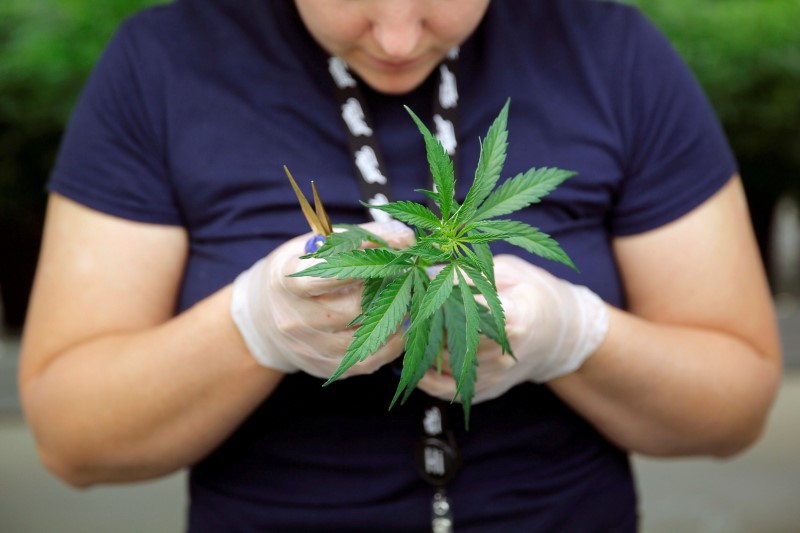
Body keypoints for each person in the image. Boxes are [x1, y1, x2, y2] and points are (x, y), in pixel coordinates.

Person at [19, 0, 781, 531]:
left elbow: (736, 402)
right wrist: (249, 326)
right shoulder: (160, 64)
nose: (394, 37)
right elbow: (70, 434)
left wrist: (574, 335)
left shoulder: (616, 54)